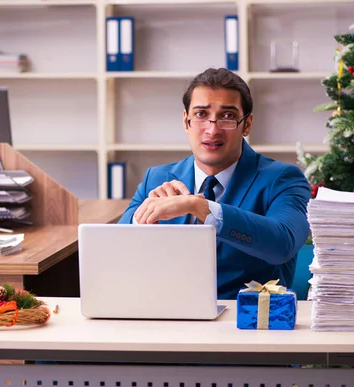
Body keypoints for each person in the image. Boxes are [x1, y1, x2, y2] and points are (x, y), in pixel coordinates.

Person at [118, 67, 311, 300]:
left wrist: (202, 209)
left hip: (244, 324)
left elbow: (283, 243)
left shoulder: (283, 179)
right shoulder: (157, 179)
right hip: (164, 316)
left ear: (247, 124)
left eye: (228, 116)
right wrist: (144, 218)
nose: (212, 129)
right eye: (200, 114)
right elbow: (115, 248)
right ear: (185, 121)